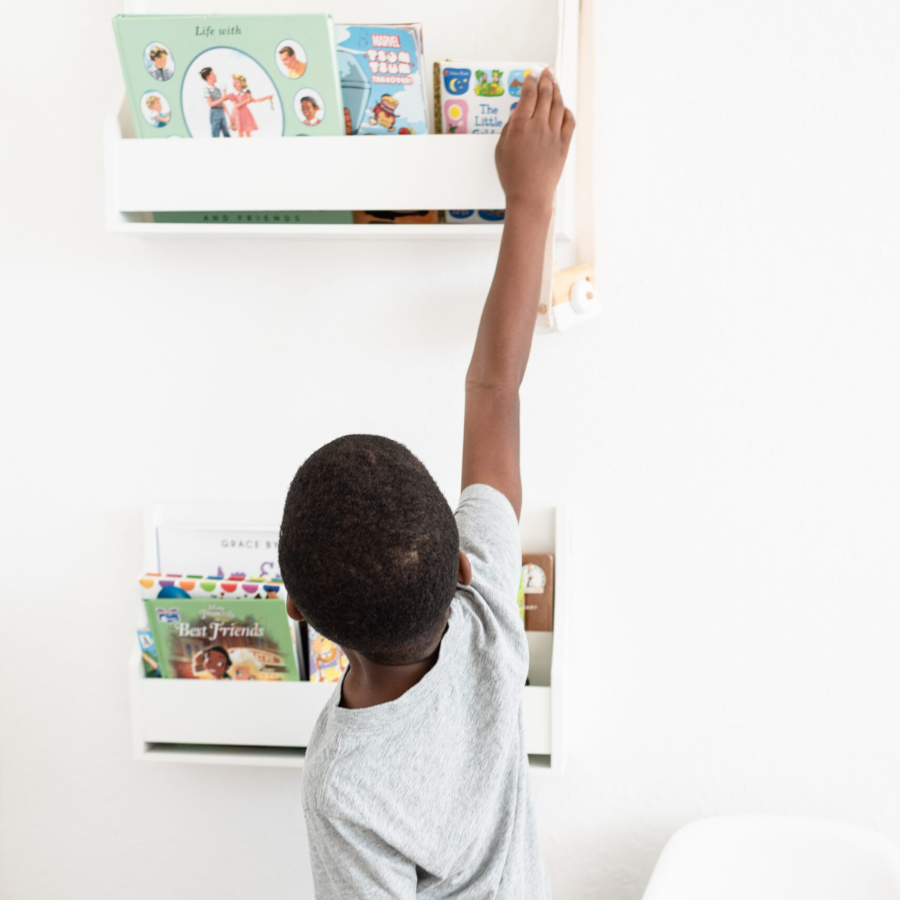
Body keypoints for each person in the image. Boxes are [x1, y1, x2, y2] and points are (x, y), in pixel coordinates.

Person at [278, 69, 574, 899]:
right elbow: (495, 391)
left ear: (300, 613)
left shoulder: (344, 785)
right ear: (462, 566)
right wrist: (532, 201)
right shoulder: (490, 628)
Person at [200, 67, 230, 138]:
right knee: (215, 134)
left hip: (221, 112)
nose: (215, 75)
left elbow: (222, 103)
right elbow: (210, 104)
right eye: (213, 74)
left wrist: (229, 115)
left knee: (226, 133)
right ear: (208, 77)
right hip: (215, 112)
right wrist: (222, 99)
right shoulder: (207, 89)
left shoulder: (218, 89)